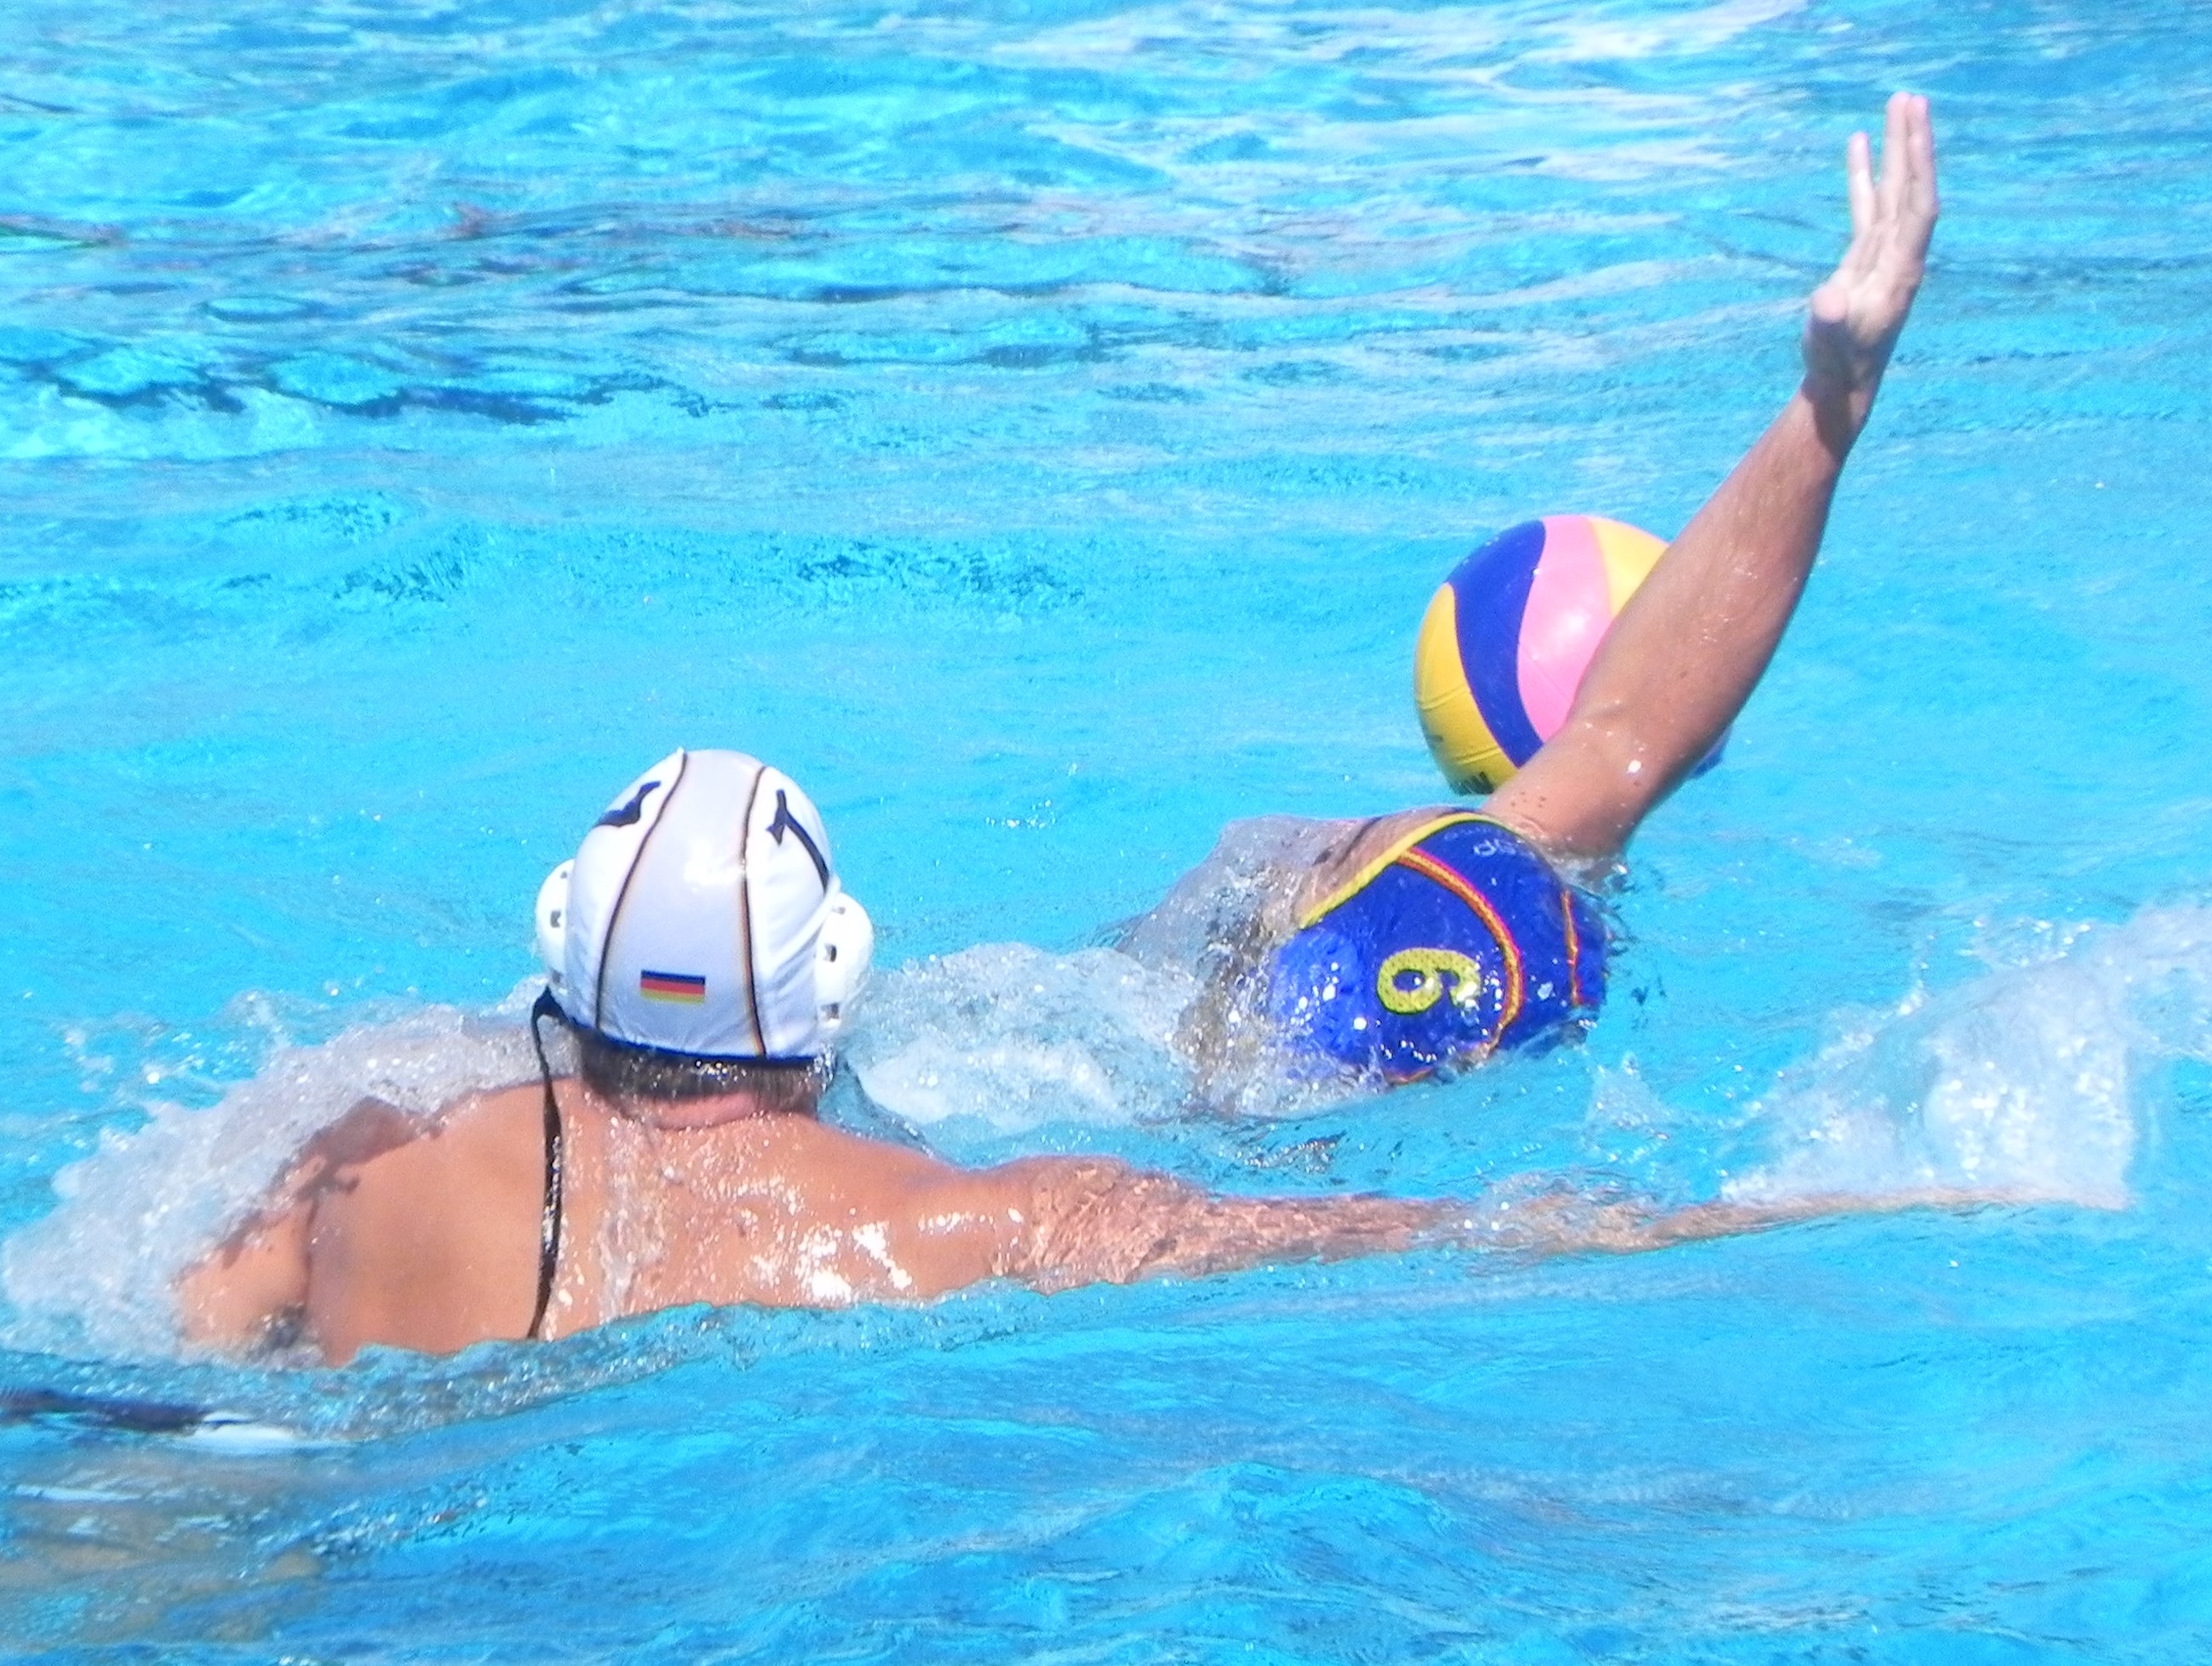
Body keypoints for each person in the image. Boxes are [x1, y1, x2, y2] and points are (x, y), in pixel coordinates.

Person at [181, 97, 1943, 1365]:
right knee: (1433, 863)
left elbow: (172, 1346)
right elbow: (1459, 1233)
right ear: (832, 979)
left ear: (561, 953)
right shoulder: (975, 1218)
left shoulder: (354, 1150)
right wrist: (1830, 400)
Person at [1120, 93, 1940, 1099]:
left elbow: (1619, 736)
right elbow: (1625, 734)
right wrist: (1831, 405)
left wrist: (1832, 402)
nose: (1330, 832)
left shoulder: (1055, 1113)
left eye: (1342, 853)